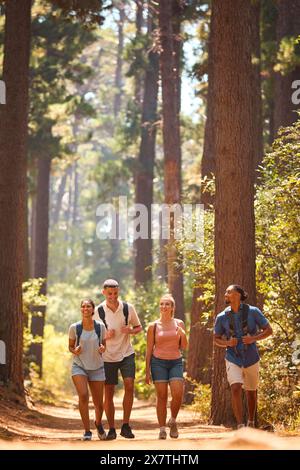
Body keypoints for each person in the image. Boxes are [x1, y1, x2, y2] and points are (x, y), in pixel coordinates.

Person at [214, 284, 273, 429]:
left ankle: (251, 422)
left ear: (238, 295)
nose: (226, 294)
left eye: (229, 292)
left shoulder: (253, 312)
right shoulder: (221, 317)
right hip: (232, 357)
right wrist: (228, 342)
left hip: (251, 357)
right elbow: (216, 339)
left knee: (251, 392)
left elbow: (269, 330)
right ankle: (240, 425)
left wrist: (254, 339)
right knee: (235, 388)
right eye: (225, 292)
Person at [93, 279, 142, 440]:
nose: (112, 297)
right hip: (107, 357)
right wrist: (104, 336)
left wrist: (130, 330)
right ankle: (112, 428)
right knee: (109, 391)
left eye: (115, 293)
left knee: (129, 385)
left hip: (126, 353)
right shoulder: (98, 311)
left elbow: (138, 327)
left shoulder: (127, 308)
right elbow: (92, 336)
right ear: (104, 293)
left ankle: (126, 426)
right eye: (109, 294)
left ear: (118, 291)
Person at [146, 294, 188, 439]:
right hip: (158, 363)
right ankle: (162, 429)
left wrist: (183, 334)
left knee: (177, 393)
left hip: (175, 361)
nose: (164, 306)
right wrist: (147, 371)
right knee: (162, 396)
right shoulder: (153, 326)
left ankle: (173, 420)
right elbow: (149, 349)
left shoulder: (179, 323)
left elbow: (184, 346)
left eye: (167, 304)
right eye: (162, 304)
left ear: (172, 307)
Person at [68, 299, 106, 441]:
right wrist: (74, 350)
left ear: (93, 309)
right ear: (81, 309)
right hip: (80, 366)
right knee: (83, 395)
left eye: (88, 306)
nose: (85, 309)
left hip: (97, 367)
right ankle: (87, 431)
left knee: (99, 404)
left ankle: (98, 423)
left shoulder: (100, 327)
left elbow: (104, 345)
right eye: (83, 306)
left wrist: (103, 348)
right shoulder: (74, 328)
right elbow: (70, 347)